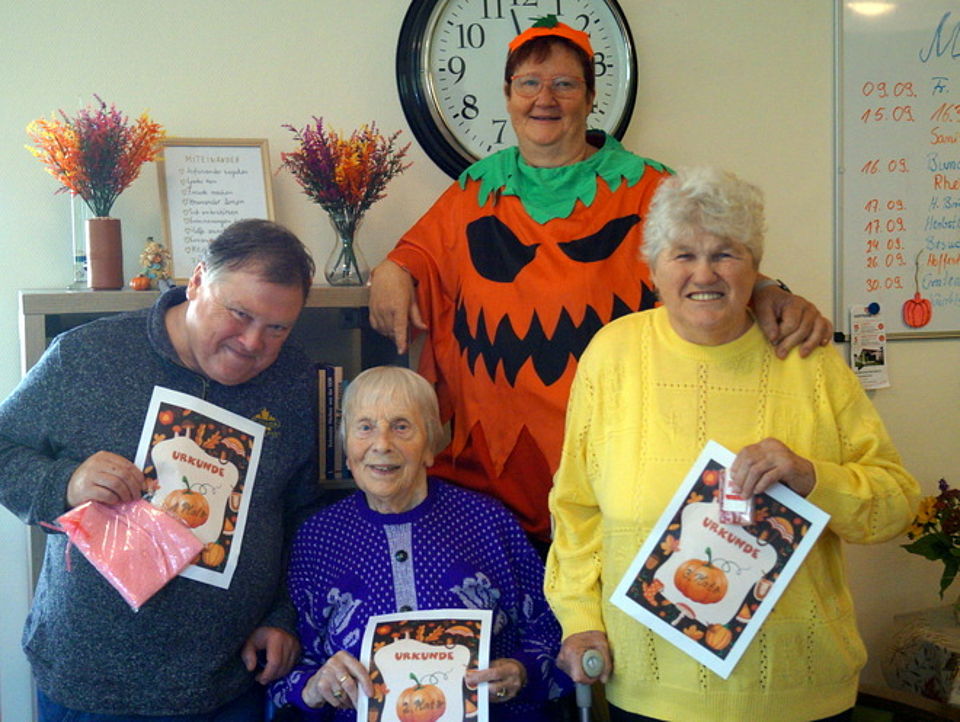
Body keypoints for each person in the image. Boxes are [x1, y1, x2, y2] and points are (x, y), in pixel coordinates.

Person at [369, 16, 833, 549]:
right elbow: (421, 253)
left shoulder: (647, 187)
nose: (545, 98)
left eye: (564, 84)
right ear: (508, 94)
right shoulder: (475, 191)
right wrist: (392, 267)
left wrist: (771, 290)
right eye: (529, 83)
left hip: (618, 472)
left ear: (590, 99)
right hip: (493, 487)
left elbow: (712, 261)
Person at [544, 166, 921, 721]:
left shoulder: (808, 360)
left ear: (756, 269)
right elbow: (576, 509)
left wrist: (813, 478)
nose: (704, 272)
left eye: (726, 254)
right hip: (651, 693)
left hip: (800, 693)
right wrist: (580, 621)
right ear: (653, 269)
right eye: (683, 254)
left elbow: (896, 505)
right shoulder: (612, 356)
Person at [0, 219, 321, 720]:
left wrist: (284, 616)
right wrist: (64, 483)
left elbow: (301, 513)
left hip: (232, 682)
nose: (253, 342)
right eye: (238, 314)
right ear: (196, 282)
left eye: (276, 327)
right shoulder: (87, 357)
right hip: (92, 684)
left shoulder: (294, 381)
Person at [269, 365, 568, 720]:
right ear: (347, 450)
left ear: (430, 446)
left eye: (401, 426)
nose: (382, 444)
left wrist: (521, 673)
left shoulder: (488, 521)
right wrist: (316, 686)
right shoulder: (318, 537)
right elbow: (286, 662)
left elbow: (554, 633)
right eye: (365, 428)